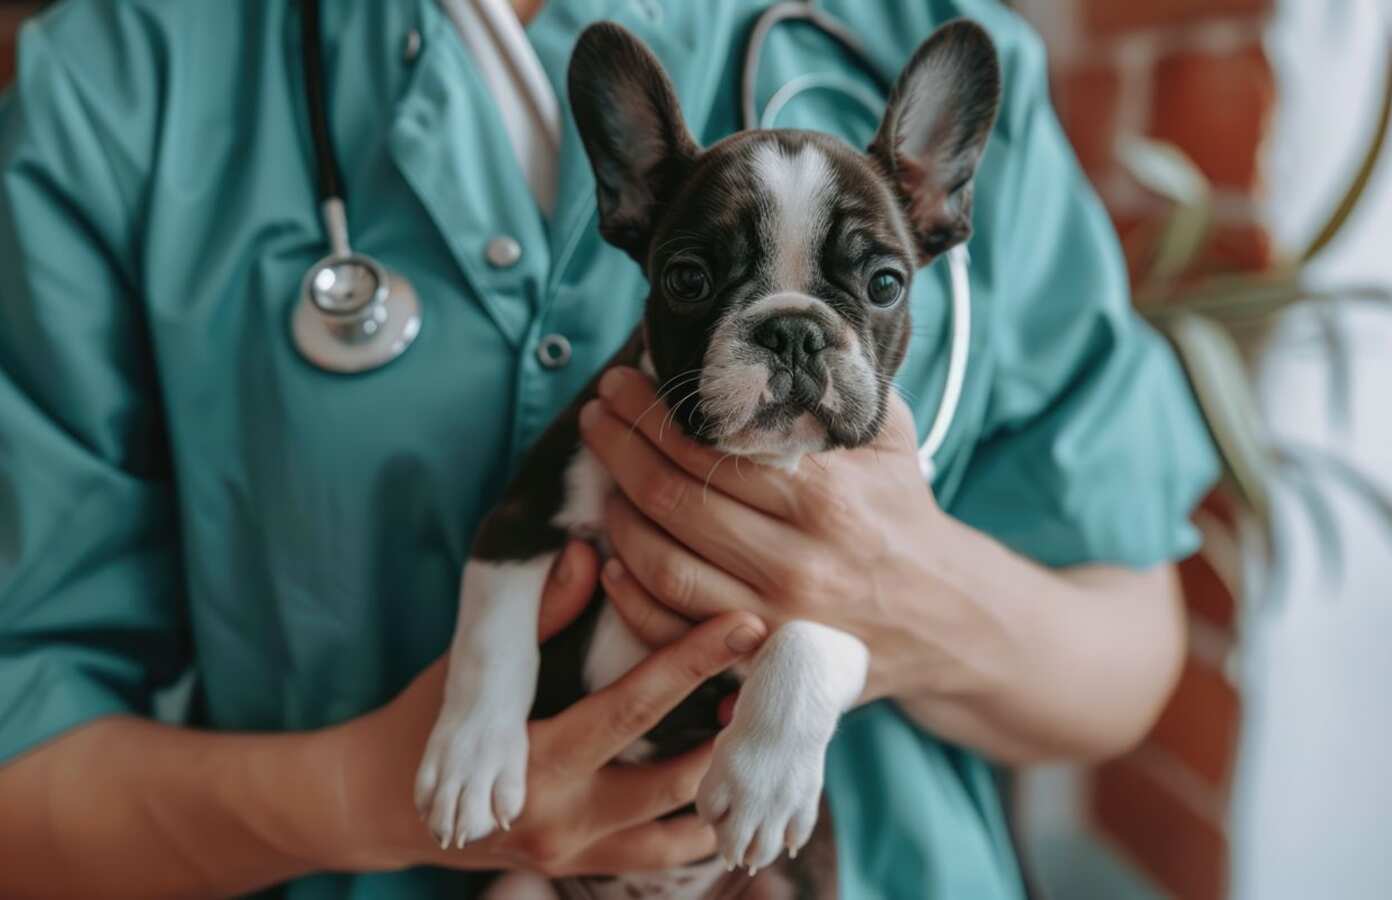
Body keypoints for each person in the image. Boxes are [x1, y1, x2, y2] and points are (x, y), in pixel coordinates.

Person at [0, 0, 1218, 897]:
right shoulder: (133, 75)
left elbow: (1129, 650)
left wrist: (905, 603)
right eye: (694, 274)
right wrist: (362, 800)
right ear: (629, 206)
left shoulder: (913, 21)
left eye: (875, 281)